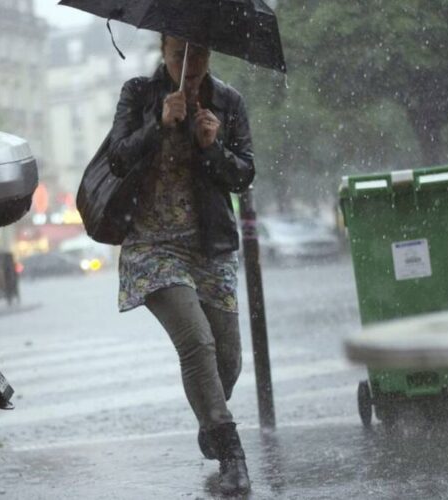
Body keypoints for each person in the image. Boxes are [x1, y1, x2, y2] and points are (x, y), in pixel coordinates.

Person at [106, 34, 254, 495]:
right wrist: (157, 124)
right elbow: (116, 157)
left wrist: (212, 146)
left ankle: (211, 420)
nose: (192, 65)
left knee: (228, 359)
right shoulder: (139, 94)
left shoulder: (227, 102)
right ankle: (232, 454)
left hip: (209, 245)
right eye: (180, 55)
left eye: (203, 54)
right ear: (165, 52)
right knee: (197, 343)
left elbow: (244, 174)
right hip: (153, 246)